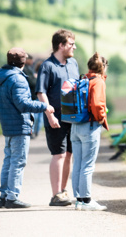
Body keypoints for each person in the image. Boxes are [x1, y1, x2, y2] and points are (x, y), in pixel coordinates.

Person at [0, 47, 52, 209]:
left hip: (7, 125)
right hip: (19, 125)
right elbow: (22, 104)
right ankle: (12, 196)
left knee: (8, 161)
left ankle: (4, 196)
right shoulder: (18, 79)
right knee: (18, 162)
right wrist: (44, 106)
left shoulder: (2, 77)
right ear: (23, 62)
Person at [36, 29, 80, 207]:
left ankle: (63, 191)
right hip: (55, 118)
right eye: (71, 44)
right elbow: (41, 92)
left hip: (73, 118)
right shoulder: (47, 66)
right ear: (61, 45)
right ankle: (55, 195)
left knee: (69, 154)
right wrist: (50, 114)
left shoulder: (73, 63)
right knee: (59, 154)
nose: (74, 47)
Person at [71, 52, 110, 211]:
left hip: (75, 126)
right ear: (103, 67)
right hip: (89, 126)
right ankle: (87, 201)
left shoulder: (83, 79)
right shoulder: (98, 81)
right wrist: (101, 118)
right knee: (88, 165)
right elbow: (97, 103)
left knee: (78, 164)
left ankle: (79, 200)